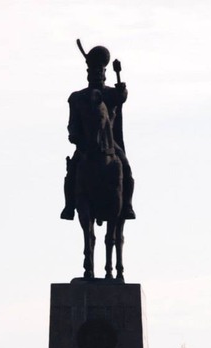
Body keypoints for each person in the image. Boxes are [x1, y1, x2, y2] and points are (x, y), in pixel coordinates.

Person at [61, 41, 135, 222]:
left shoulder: (111, 94)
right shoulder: (77, 97)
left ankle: (127, 205)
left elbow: (121, 97)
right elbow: (72, 123)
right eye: (92, 71)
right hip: (85, 144)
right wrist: (74, 136)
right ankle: (69, 207)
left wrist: (122, 89)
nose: (96, 74)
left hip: (110, 143)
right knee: (71, 174)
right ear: (87, 73)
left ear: (104, 73)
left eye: (99, 71)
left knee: (125, 168)